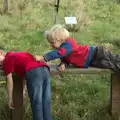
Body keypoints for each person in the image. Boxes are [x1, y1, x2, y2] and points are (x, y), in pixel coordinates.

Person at [35, 24, 120, 73]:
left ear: (60, 39)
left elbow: (59, 54)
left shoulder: (68, 44)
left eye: (52, 42)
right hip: (92, 60)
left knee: (115, 61)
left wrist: (43, 57)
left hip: (96, 53)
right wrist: (63, 64)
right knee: (109, 65)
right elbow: (66, 58)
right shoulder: (63, 48)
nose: (51, 45)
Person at [0, 49, 52, 120]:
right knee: (46, 102)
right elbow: (24, 74)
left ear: (2, 53)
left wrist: (10, 99)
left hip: (34, 73)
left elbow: (10, 81)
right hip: (45, 69)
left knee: (37, 104)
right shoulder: (17, 55)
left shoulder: (7, 60)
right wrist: (23, 90)